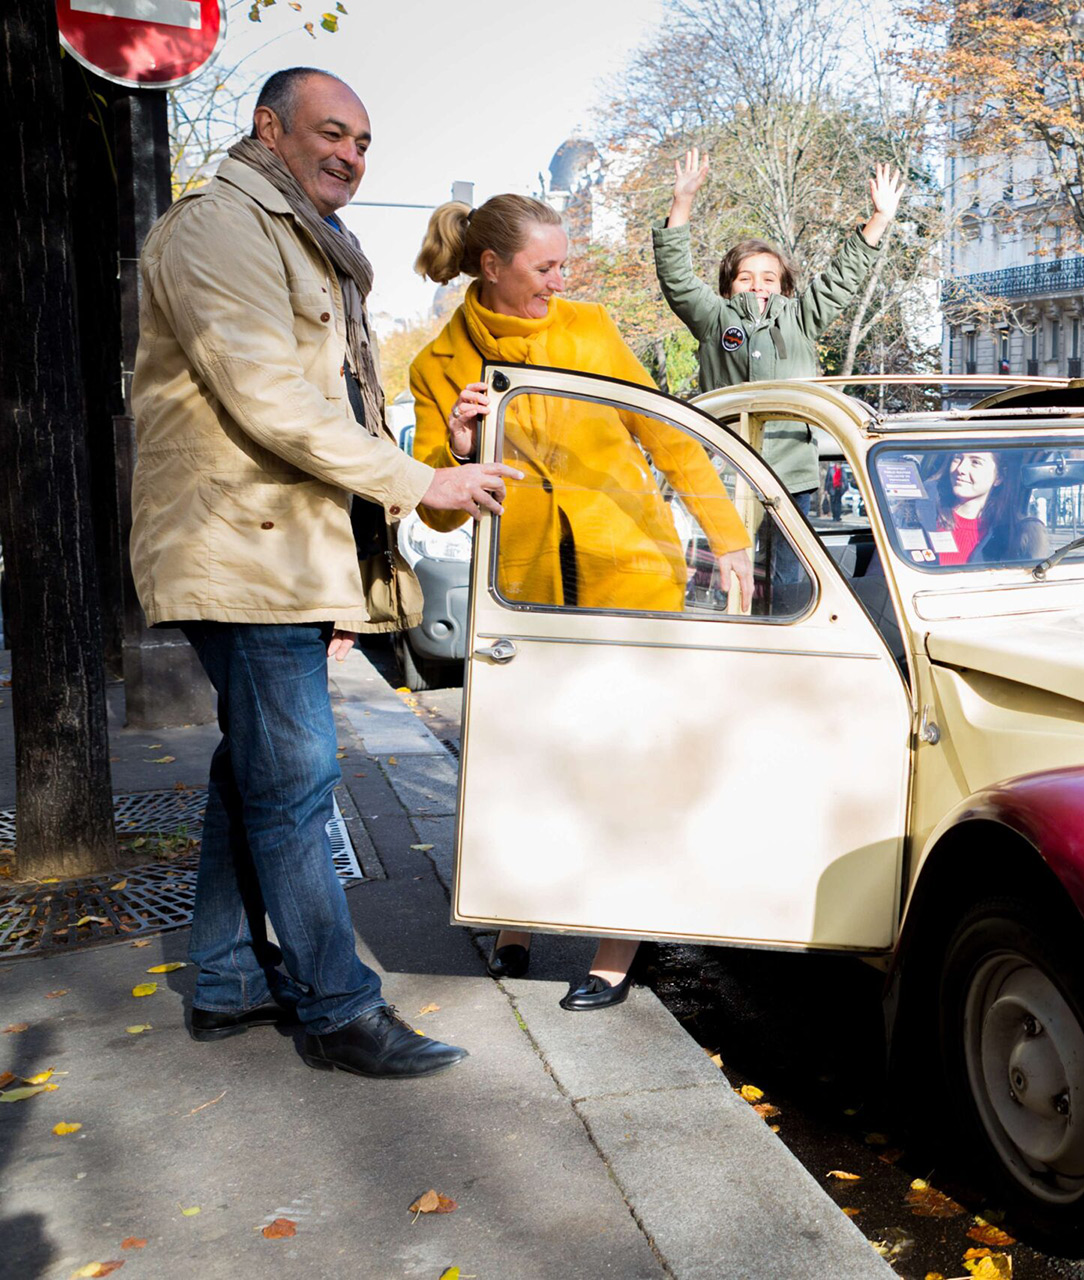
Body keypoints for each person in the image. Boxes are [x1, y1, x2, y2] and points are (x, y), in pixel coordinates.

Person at [130, 67, 517, 1078]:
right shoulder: (221, 228)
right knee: (297, 781)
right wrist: (416, 475)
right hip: (241, 540)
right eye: (331, 132)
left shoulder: (302, 239)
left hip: (275, 542)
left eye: (364, 141)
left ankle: (223, 975)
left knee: (252, 767)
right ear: (271, 128)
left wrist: (424, 475)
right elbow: (269, 399)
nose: (350, 153)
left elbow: (327, 409)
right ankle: (338, 1004)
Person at [409, 193, 754, 1011]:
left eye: (564, 265)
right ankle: (520, 915)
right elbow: (430, 502)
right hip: (522, 591)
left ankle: (614, 941)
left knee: (624, 761)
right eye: (545, 267)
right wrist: (459, 450)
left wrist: (727, 535)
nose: (560, 281)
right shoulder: (438, 364)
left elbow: (666, 435)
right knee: (530, 759)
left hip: (629, 570)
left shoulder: (590, 330)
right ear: (492, 266)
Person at [651, 149, 904, 515]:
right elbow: (676, 276)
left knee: (789, 573)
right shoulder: (712, 318)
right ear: (728, 287)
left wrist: (879, 218)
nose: (758, 286)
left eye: (769, 278)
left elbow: (840, 280)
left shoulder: (802, 318)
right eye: (745, 278)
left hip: (789, 477)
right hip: (726, 473)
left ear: (784, 287)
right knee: (729, 569)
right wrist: (683, 200)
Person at [925, 451, 1049, 566]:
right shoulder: (924, 516)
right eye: (957, 458)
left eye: (975, 462)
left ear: (998, 477)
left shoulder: (1012, 532)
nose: (961, 469)